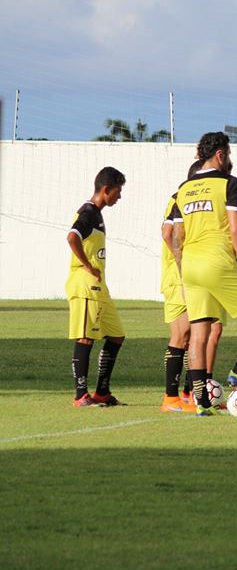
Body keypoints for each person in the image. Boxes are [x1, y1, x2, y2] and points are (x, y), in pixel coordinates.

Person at [170, 131, 237, 416]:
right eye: (228, 154)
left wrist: (183, 269)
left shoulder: (183, 188)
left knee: (199, 332)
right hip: (217, 262)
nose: (229, 159)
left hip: (190, 267)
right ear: (220, 154)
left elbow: (176, 237)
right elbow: (235, 228)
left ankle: (201, 403)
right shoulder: (229, 183)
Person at [160, 160, 225, 413]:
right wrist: (182, 264)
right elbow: (168, 234)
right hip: (181, 276)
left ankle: (192, 394)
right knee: (184, 335)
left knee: (208, 332)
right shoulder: (179, 198)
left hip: (199, 273)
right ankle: (171, 397)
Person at [66, 167, 126, 407]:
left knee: (117, 335)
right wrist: (88, 266)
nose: (119, 196)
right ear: (106, 190)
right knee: (85, 338)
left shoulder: (98, 215)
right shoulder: (88, 211)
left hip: (99, 287)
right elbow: (72, 237)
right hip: (84, 284)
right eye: (118, 191)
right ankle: (81, 395)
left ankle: (102, 392)